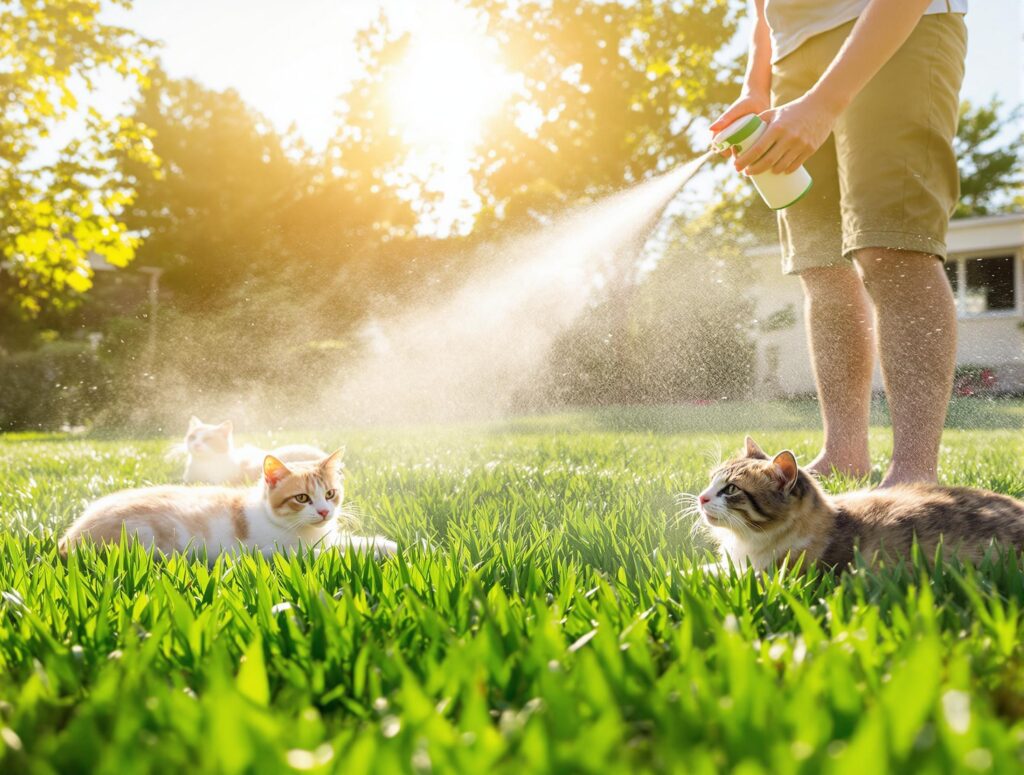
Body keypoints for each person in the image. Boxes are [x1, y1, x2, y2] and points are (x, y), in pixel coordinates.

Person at [711, 0, 968, 487]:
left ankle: (915, 473)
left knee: (892, 248)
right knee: (821, 265)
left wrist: (824, 103)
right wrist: (756, 85)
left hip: (895, 26)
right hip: (792, 53)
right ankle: (844, 452)